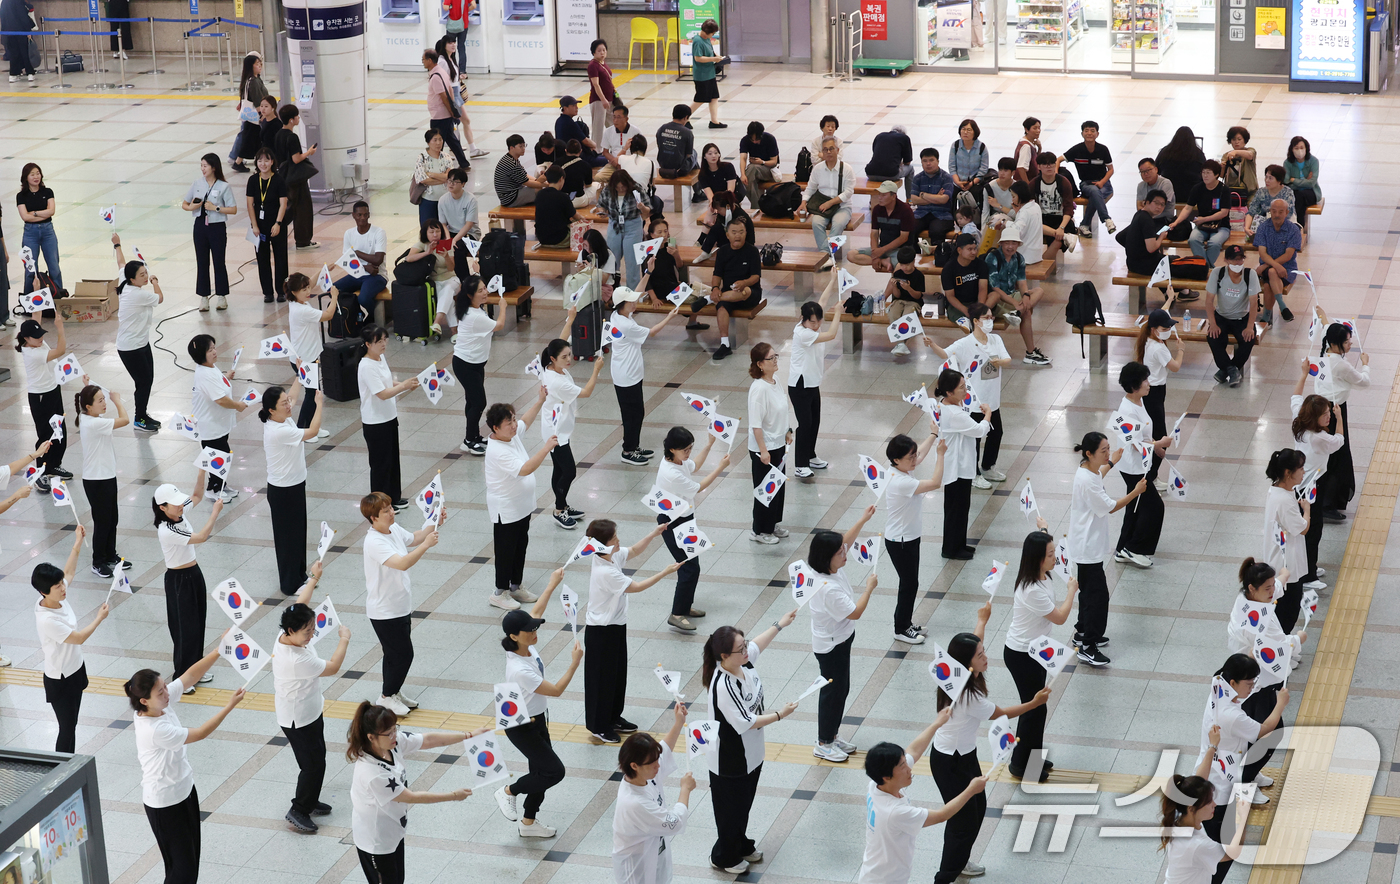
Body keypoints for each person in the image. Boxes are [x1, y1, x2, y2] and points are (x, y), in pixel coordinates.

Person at [929, 601, 1049, 884]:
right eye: (980, 655)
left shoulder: (957, 670)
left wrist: (982, 620)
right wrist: (1033, 703)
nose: (986, 657)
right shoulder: (968, 695)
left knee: (977, 807)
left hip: (964, 755)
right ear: (968, 662)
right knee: (962, 821)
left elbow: (974, 642)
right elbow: (1001, 713)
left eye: (983, 651)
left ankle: (959, 860)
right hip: (950, 761)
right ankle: (946, 876)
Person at [125, 654, 246, 884]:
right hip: (164, 804)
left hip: (185, 791)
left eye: (164, 686)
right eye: (160, 692)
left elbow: (190, 676)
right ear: (144, 701)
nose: (166, 693)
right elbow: (200, 733)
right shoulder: (153, 729)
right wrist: (230, 705)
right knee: (181, 871)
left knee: (191, 861)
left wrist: (218, 651)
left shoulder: (159, 705)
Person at [347, 702, 487, 881]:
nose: (394, 735)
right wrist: (453, 796)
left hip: (393, 829)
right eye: (389, 733)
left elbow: (427, 740)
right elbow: (410, 797)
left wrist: (468, 735)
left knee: (398, 879)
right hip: (376, 841)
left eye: (395, 729)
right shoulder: (372, 773)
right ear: (371, 737)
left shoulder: (392, 744)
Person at [702, 616, 799, 873]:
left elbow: (757, 644)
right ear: (724, 656)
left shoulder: (743, 662)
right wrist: (780, 714)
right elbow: (746, 722)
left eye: (744, 645)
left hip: (751, 753)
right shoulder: (723, 685)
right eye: (740, 648)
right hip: (730, 759)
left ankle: (740, 844)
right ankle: (724, 856)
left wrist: (780, 624)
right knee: (730, 810)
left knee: (743, 805)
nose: (746, 650)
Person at [582, 519, 681, 742]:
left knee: (617, 675)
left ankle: (613, 717)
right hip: (601, 631)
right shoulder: (604, 571)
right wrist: (664, 572)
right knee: (601, 680)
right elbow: (636, 587)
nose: (618, 540)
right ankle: (599, 726)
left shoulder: (611, 555)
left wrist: (654, 533)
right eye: (613, 538)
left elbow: (634, 550)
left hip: (616, 625)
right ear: (602, 545)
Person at [859, 712, 987, 884]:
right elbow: (942, 815)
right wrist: (971, 789)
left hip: (876, 874)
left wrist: (937, 724)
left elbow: (913, 750)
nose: (909, 768)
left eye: (905, 762)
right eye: (902, 766)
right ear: (887, 777)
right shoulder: (895, 812)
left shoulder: (876, 785)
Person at [496, 585, 583, 837]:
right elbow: (555, 690)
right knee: (554, 771)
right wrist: (575, 663)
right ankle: (508, 791)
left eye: (535, 628)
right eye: (530, 630)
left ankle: (528, 823)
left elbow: (536, 611)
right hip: (521, 726)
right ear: (514, 636)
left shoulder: (526, 646)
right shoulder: (519, 669)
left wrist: (553, 583)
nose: (535, 633)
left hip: (536, 719)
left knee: (540, 772)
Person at [274, 562, 351, 832]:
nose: (311, 635)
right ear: (291, 632)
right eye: (307, 632)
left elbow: (301, 603)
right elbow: (333, 667)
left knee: (317, 758)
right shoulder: (296, 659)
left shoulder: (285, 633)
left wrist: (314, 578)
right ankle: (299, 810)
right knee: (312, 765)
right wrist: (344, 639)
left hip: (310, 710)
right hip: (298, 718)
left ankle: (310, 798)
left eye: (312, 629)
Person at [1003, 527, 1078, 782]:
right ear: (1037, 558)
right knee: (1032, 708)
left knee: (1038, 707)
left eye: (1054, 552)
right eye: (1050, 554)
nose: (1055, 558)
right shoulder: (1031, 589)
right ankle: (1020, 764)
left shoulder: (1042, 575)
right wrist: (1071, 591)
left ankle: (1032, 758)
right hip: (1022, 655)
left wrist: (1043, 527)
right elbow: (1060, 618)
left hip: (1036, 652)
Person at [361, 490, 444, 717]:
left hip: (399, 605)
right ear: (373, 518)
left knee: (393, 654)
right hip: (384, 610)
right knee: (403, 655)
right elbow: (402, 563)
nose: (391, 512)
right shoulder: (374, 541)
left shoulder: (393, 529)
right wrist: (426, 546)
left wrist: (435, 520)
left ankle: (393, 691)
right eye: (385, 511)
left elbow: (416, 537)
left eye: (390, 508)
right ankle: (386, 696)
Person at [807, 506, 879, 761]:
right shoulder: (827, 588)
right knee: (833, 693)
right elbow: (855, 612)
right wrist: (869, 588)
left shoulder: (829, 567)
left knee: (841, 689)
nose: (845, 552)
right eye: (840, 552)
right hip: (831, 645)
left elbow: (845, 541)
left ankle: (832, 735)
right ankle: (824, 742)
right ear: (827, 557)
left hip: (841, 638)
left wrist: (862, 519)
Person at [1069, 431, 1145, 667]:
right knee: (1098, 597)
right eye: (1103, 450)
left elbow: (1098, 475)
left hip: (1087, 544)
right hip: (1087, 547)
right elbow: (1111, 506)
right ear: (1089, 453)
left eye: (1108, 448)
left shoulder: (1087, 470)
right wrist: (1135, 492)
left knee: (1088, 593)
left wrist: (1112, 462)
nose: (1107, 453)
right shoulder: (1086, 481)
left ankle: (1082, 631)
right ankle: (1088, 646)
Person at [33, 527, 108, 753]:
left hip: (76, 668)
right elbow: (79, 638)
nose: (63, 588)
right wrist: (99, 618)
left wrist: (77, 542)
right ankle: (61, 765)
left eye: (61, 584)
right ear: (44, 592)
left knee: (72, 724)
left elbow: (69, 572)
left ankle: (70, 762)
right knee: (67, 727)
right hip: (61, 679)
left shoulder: (57, 598)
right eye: (57, 586)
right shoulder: (47, 619)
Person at [926, 302, 1011, 487]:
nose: (990, 320)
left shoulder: (996, 339)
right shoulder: (965, 343)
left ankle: (988, 467)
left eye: (991, 317)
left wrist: (1000, 362)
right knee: (974, 439)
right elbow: (944, 354)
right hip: (974, 400)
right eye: (986, 317)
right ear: (976, 321)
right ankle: (974, 474)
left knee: (996, 433)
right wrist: (932, 344)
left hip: (992, 398)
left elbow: (1007, 358)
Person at [152, 475, 224, 692]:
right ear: (163, 508)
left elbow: (197, 495)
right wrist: (215, 512)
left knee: (198, 622)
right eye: (175, 504)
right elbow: (201, 537)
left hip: (193, 573)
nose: (181, 506)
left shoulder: (178, 512)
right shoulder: (167, 530)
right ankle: (182, 678)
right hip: (178, 580)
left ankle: (195, 670)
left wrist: (202, 470)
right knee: (185, 628)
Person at [655, 427, 729, 634]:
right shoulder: (671, 473)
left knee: (692, 566)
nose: (688, 453)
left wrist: (709, 444)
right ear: (672, 449)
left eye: (690, 448)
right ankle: (677, 614)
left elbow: (694, 465)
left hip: (684, 519)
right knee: (688, 567)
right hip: (672, 523)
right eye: (685, 450)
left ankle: (685, 606)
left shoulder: (676, 461)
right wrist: (721, 467)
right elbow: (699, 486)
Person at [612, 704, 696, 884]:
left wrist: (678, 723)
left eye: (657, 760)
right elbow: (675, 823)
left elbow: (664, 749)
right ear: (634, 765)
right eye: (653, 763)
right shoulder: (634, 802)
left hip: (655, 856)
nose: (658, 765)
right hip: (637, 870)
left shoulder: (645, 775)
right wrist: (685, 789)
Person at [484, 396, 554, 610]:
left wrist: (540, 400)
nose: (514, 425)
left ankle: (515, 586)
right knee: (505, 551)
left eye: (513, 420)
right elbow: (524, 469)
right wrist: (546, 448)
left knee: (520, 546)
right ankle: (499, 592)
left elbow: (526, 421)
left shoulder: (510, 435)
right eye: (509, 423)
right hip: (506, 509)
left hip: (522, 506)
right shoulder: (497, 450)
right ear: (496, 428)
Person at [1228, 559, 1306, 747]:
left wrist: (1284, 576)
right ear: (1252, 588)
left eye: (1272, 585)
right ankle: (1249, 761)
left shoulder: (1246, 597)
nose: (1272, 591)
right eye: (1267, 588)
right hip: (1256, 677)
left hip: (1253, 670)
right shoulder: (1256, 622)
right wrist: (1299, 638)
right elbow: (1280, 645)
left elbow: (1275, 587)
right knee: (1266, 730)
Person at [882, 424, 945, 645]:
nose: (915, 460)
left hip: (909, 537)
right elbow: (935, 483)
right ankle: (900, 629)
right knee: (909, 584)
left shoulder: (900, 469)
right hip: (900, 540)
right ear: (896, 459)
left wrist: (933, 435)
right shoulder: (901, 481)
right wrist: (940, 455)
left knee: (911, 583)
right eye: (910, 457)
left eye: (914, 455)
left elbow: (921, 454)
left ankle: (906, 623)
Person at [260, 385, 324, 595]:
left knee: (298, 533)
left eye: (286, 401)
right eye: (283, 403)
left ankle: (300, 575)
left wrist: (299, 376)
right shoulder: (279, 431)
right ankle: (289, 584)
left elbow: (294, 396)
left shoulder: (282, 418)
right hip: (283, 491)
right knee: (287, 539)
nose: (289, 405)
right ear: (271, 410)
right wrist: (319, 404)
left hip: (295, 485)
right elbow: (313, 431)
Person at [607, 286, 680, 464]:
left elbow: (637, 290)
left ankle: (634, 445)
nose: (635, 303)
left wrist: (648, 273)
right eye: (631, 301)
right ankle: (628, 451)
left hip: (630, 373)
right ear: (622, 304)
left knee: (637, 413)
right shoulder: (626, 325)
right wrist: (669, 317)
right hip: (626, 376)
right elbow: (652, 333)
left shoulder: (618, 315)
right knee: (632, 415)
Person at [1205, 653, 1290, 805]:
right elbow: (1264, 730)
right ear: (1233, 683)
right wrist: (1280, 705)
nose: (1252, 688)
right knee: (1268, 739)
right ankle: (1244, 784)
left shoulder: (1218, 681)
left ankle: (1250, 776)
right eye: (1249, 684)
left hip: (1226, 752)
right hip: (1225, 772)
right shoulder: (1231, 715)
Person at [539, 336, 606, 529]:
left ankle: (563, 506)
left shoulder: (550, 368)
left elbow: (560, 337)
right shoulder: (557, 382)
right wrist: (596, 370)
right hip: (556, 432)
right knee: (569, 471)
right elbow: (586, 393)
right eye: (564, 357)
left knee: (559, 469)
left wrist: (569, 321)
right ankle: (559, 510)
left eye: (569, 354)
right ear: (553, 358)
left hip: (558, 427)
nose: (569, 359)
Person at [1111, 361, 1171, 569]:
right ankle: (1135, 548)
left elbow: (1143, 435)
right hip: (1132, 467)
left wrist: (1156, 447)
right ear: (1134, 385)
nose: (1149, 383)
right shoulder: (1127, 410)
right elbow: (1136, 445)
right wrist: (1159, 443)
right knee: (1154, 507)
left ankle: (1122, 548)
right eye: (1145, 380)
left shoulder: (1139, 401)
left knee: (1134, 507)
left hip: (1139, 464)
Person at [1312, 320, 1368, 523]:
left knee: (1327, 454)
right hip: (1335, 410)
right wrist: (1366, 364)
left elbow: (1326, 327)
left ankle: (1323, 499)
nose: (1350, 344)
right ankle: (1327, 504)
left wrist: (1323, 317)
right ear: (1335, 343)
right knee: (1338, 455)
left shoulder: (1323, 352)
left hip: (1320, 405)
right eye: (1346, 342)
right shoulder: (1341, 365)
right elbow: (1364, 382)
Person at [1290, 362, 1341, 589]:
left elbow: (1295, 397)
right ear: (1315, 417)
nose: (1329, 417)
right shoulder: (1319, 437)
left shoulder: (1300, 420)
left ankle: (1309, 566)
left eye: (1330, 412)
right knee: (1312, 528)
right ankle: (1308, 576)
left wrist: (1303, 374)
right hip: (1311, 485)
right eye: (1326, 414)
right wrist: (1340, 418)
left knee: (1308, 527)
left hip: (1301, 482)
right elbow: (1339, 441)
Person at [931, 368, 990, 560]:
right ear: (949, 392)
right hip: (956, 468)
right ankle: (951, 549)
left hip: (958, 465)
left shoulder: (947, 406)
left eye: (965, 386)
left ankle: (959, 543)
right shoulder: (954, 414)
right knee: (956, 509)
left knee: (960, 508)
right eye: (962, 388)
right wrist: (988, 414)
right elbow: (979, 430)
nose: (966, 390)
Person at [357, 326, 416, 510]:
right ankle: (380, 505)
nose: (383, 344)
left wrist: (406, 385)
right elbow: (382, 393)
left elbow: (387, 383)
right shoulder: (366, 366)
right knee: (380, 464)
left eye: (384, 339)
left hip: (389, 417)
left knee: (392, 459)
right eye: (379, 341)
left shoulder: (380, 358)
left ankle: (393, 497)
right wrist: (403, 386)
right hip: (375, 422)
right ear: (368, 344)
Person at [445, 275, 505, 454]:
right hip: (466, 364)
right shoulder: (473, 316)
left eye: (485, 288)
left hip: (476, 363)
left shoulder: (474, 309)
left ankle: (474, 435)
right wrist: (502, 307)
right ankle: (469, 440)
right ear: (470, 296)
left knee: (472, 401)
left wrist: (476, 270)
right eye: (480, 290)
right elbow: (499, 325)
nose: (485, 292)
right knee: (479, 402)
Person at [108, 235, 162, 432]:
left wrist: (117, 244)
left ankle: (143, 414)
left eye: (146, 273)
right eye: (142, 275)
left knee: (147, 380)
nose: (145, 277)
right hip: (131, 347)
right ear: (132, 279)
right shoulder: (138, 294)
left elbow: (121, 263)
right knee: (143, 381)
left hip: (141, 342)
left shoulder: (126, 280)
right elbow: (160, 298)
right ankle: (139, 419)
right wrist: (155, 282)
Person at [787, 275, 839, 478]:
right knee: (805, 424)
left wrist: (832, 279)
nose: (817, 325)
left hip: (812, 382)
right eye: (813, 322)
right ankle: (800, 465)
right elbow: (832, 335)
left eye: (819, 321)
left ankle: (810, 456)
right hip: (800, 385)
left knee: (814, 421)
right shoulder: (803, 333)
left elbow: (822, 301)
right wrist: (838, 313)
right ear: (804, 319)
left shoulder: (812, 323)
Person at [74, 384, 128, 576]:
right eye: (100, 400)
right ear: (88, 407)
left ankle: (110, 555)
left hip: (107, 475)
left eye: (104, 399)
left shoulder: (89, 416)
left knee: (112, 518)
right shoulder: (93, 423)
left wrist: (86, 384)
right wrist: (117, 401)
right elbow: (125, 420)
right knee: (103, 521)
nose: (104, 403)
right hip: (96, 480)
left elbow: (85, 402)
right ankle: (98, 562)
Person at [1159, 773, 1249, 883]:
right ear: (1191, 809)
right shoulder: (1197, 844)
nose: (1214, 804)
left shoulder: (1179, 817)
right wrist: (1244, 818)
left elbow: (1196, 784)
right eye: (1209, 802)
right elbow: (1232, 852)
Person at [746, 341, 794, 544]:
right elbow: (756, 425)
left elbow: (782, 408)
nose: (775, 360)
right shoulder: (759, 389)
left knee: (777, 488)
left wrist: (787, 430)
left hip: (778, 444)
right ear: (759, 364)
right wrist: (763, 451)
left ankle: (772, 524)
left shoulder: (776, 381)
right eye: (771, 358)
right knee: (765, 490)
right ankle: (759, 531)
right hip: (763, 448)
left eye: (776, 356)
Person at [187, 333, 245, 502]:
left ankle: (220, 485)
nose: (214, 351)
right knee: (219, 456)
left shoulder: (211, 367)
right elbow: (220, 399)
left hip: (218, 423)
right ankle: (213, 490)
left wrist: (225, 377)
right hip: (210, 426)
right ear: (201, 354)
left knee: (221, 454)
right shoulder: (204, 374)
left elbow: (215, 385)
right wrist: (238, 405)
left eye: (214, 347)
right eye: (209, 350)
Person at [694, 216, 762, 360]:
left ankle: (707, 299)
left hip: (750, 292)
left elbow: (756, 277)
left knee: (744, 291)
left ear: (746, 233)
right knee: (722, 307)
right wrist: (715, 288)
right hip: (728, 293)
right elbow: (717, 274)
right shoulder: (723, 251)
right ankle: (725, 344)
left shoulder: (752, 251)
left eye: (741, 232)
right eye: (734, 232)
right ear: (727, 235)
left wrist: (744, 282)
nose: (738, 235)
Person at [16, 315, 71, 489]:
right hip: (40, 397)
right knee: (46, 435)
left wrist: (37, 296)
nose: (41, 338)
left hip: (53, 390)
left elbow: (36, 318)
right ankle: (41, 472)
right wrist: (60, 328)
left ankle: (54, 465)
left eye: (41, 335)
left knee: (60, 431)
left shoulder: (36, 343)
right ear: (26, 338)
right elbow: (60, 350)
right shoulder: (33, 353)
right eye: (36, 337)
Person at [180, 154, 237, 313]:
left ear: (214, 167)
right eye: (201, 165)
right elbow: (184, 204)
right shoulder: (197, 183)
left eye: (205, 165)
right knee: (202, 262)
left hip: (217, 226)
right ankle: (204, 297)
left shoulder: (223, 186)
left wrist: (216, 208)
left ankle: (222, 296)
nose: (202, 169)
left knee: (219, 261)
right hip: (200, 226)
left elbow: (233, 209)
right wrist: (192, 207)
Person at [983, 231, 1049, 365]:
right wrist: (1014, 302)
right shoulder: (992, 258)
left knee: (1038, 291)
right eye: (1007, 243)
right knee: (1027, 312)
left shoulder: (1019, 258)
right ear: (1001, 243)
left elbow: (1022, 282)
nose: (1010, 246)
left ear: (1018, 244)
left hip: (1013, 295)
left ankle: (1017, 313)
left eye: (1014, 243)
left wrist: (1025, 296)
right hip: (997, 299)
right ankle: (1030, 352)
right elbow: (995, 288)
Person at [1136, 309, 1183, 494]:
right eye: (1165, 328)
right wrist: (1181, 350)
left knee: (1155, 435)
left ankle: (1150, 476)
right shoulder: (1158, 348)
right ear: (1154, 329)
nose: (1168, 331)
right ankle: (1150, 478)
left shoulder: (1148, 340)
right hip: (1154, 394)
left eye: (1170, 327)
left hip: (1152, 392)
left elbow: (1162, 309)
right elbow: (1176, 367)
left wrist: (1170, 298)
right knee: (1160, 439)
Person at [1262, 448, 1309, 633]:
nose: (1304, 471)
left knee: (1283, 611)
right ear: (1288, 473)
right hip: (1286, 565)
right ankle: (1280, 646)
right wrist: (1307, 510)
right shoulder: (1284, 500)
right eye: (1301, 468)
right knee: (1287, 613)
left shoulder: (1276, 490)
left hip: (1278, 559)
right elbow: (1303, 528)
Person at [284, 272, 335, 433]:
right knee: (312, 394)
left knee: (313, 392)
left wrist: (322, 270)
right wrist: (334, 297)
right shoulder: (301, 310)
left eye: (307, 288)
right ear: (294, 292)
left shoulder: (295, 301)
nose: (308, 292)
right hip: (304, 359)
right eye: (303, 289)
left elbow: (310, 283)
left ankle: (312, 428)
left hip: (306, 355)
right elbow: (328, 315)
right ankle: (304, 429)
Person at [1204, 246, 1259, 387]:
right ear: (1226, 260)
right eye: (1235, 260)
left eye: (1241, 259)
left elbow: (1254, 303)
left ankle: (1226, 370)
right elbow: (1209, 301)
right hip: (1221, 316)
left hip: (1242, 317)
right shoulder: (1218, 273)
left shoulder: (1250, 274)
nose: (1238, 263)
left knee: (1249, 339)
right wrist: (1213, 324)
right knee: (1213, 337)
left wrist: (1249, 327)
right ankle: (1232, 370)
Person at [243, 147, 290, 303]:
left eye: (266, 160)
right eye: (260, 160)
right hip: (260, 226)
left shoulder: (278, 180)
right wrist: (254, 225)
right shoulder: (252, 180)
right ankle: (267, 292)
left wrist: (278, 223)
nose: (263, 163)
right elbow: (250, 205)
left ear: (272, 162)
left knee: (281, 258)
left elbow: (283, 204)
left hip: (277, 225)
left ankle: (281, 291)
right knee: (262, 259)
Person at [274, 103, 319, 250]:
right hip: (295, 178)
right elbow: (296, 159)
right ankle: (302, 241)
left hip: (283, 175)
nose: (298, 118)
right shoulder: (292, 137)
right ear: (291, 120)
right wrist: (309, 152)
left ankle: (274, 232)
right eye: (297, 116)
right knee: (302, 209)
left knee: (289, 207)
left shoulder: (278, 134)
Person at [798, 135, 854, 252]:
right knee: (816, 223)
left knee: (838, 224)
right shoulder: (818, 169)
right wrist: (803, 202)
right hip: (822, 206)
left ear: (837, 150)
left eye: (831, 148)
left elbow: (848, 192)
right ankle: (827, 255)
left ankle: (824, 254)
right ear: (822, 152)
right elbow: (810, 188)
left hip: (842, 206)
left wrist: (830, 203)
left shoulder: (847, 169)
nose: (828, 152)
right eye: (825, 149)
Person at [1059, 121, 1115, 236]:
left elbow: (1110, 169)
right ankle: (1107, 219)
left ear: (1097, 134)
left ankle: (1084, 225)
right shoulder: (1077, 149)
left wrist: (1102, 182)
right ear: (1082, 133)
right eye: (1086, 131)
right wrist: (1056, 175)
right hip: (1086, 184)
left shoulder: (1103, 149)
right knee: (1095, 191)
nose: (1089, 133)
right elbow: (1058, 160)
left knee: (1095, 195)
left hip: (1104, 184)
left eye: (1092, 131)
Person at [598, 169, 651, 289]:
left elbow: (647, 211)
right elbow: (601, 205)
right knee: (612, 260)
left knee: (632, 262)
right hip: (614, 225)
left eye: (623, 187)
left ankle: (633, 292)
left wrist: (642, 207)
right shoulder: (607, 190)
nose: (621, 189)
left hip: (632, 226)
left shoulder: (637, 189)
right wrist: (602, 212)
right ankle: (612, 290)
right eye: (618, 187)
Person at [1254, 199, 1303, 324]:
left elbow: (1288, 255)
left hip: (1287, 268)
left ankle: (1266, 318)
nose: (1277, 215)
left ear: (1287, 212)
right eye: (1274, 211)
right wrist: (1275, 266)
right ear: (1270, 211)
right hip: (1268, 268)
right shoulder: (1263, 227)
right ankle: (1282, 306)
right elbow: (1262, 253)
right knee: (1272, 272)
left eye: (1281, 212)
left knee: (1268, 283)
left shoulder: (1293, 230)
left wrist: (1269, 265)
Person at [335, 201, 389, 315]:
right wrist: (365, 267)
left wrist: (357, 253)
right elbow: (347, 260)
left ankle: (375, 316)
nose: (363, 218)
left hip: (377, 276)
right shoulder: (349, 233)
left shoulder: (378, 232)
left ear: (369, 215)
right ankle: (356, 315)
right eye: (359, 215)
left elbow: (378, 260)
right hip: (357, 274)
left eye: (365, 214)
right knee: (333, 290)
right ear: (353, 215)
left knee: (364, 299)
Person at [851, 180, 914, 272]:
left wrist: (882, 250)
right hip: (882, 247)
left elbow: (903, 238)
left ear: (893, 196)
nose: (880, 198)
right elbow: (874, 234)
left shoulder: (905, 210)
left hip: (900, 250)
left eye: (884, 195)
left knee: (901, 268)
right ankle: (883, 261)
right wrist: (875, 254)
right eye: (879, 194)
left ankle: (889, 263)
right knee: (851, 255)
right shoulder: (877, 209)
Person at [423, 48, 469, 169]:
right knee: (451, 140)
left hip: (439, 115)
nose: (422, 62)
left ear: (430, 60)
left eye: (423, 60)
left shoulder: (436, 77)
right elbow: (450, 91)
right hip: (444, 114)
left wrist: (451, 111)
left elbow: (443, 96)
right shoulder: (441, 71)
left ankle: (435, 165)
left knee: (436, 141)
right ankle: (464, 163)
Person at [17, 163, 59, 291]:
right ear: (26, 177)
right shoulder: (21, 196)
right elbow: (25, 217)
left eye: (38, 173)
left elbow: (51, 211)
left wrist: (34, 213)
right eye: (32, 174)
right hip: (30, 233)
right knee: (30, 269)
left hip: (48, 231)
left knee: (54, 267)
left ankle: (58, 296)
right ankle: (29, 299)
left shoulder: (47, 192)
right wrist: (43, 214)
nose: (36, 177)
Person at [1030, 153, 1078, 254]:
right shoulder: (1034, 183)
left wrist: (1061, 227)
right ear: (1039, 167)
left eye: (1051, 163)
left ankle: (1043, 265)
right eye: (1045, 164)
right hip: (1042, 219)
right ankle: (1065, 236)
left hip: (1060, 219)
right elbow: (1029, 206)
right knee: (1032, 226)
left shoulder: (1063, 182)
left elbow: (1068, 208)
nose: (1049, 166)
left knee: (1057, 240)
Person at [883, 245, 925, 358]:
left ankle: (901, 344)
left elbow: (918, 296)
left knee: (907, 317)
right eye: (902, 265)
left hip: (913, 302)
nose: (904, 268)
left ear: (913, 262)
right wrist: (894, 287)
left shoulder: (919, 276)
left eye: (907, 264)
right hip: (899, 301)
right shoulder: (898, 274)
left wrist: (908, 289)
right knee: (893, 314)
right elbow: (897, 295)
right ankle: (901, 344)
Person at [909, 147, 957, 244]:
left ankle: (937, 253)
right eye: (925, 161)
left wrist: (923, 195)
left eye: (931, 160)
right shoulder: (917, 178)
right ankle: (914, 252)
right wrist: (936, 196)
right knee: (909, 228)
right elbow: (914, 200)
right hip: (921, 213)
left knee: (936, 231)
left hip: (942, 215)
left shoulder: (946, 178)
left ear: (938, 161)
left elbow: (943, 200)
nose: (928, 163)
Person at [938, 233, 987, 322]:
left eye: (975, 248)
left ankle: (982, 314)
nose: (974, 252)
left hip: (976, 302)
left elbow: (983, 289)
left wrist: (979, 308)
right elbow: (950, 296)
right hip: (958, 304)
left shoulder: (981, 264)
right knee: (963, 319)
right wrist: (966, 310)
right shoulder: (948, 269)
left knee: (994, 296)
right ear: (959, 250)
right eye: (970, 249)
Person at [413, 128, 458, 228]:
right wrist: (444, 177)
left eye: (440, 139)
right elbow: (422, 180)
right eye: (435, 140)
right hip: (428, 201)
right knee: (428, 228)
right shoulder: (422, 158)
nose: (438, 143)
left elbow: (451, 178)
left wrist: (432, 175)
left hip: (445, 200)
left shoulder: (446, 157)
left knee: (445, 228)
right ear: (428, 142)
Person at [230, 52, 267, 171]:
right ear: (251, 66)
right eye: (257, 64)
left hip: (251, 116)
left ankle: (241, 162)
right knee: (251, 140)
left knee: (251, 140)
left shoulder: (253, 79)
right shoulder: (253, 81)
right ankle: (240, 162)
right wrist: (263, 114)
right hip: (255, 116)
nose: (260, 65)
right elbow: (257, 100)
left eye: (260, 63)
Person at [1122, 189, 1170, 277]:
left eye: (1162, 205)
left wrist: (1136, 249)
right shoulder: (1147, 220)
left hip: (1132, 264)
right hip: (1146, 266)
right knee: (1177, 264)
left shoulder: (1139, 214)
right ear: (1147, 202)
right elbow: (1151, 248)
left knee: (1171, 261)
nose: (1159, 207)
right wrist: (1161, 237)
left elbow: (1120, 237)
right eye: (1156, 203)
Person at [688, 20, 727, 129]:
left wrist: (717, 56)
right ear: (706, 32)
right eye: (712, 33)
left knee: (714, 97)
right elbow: (698, 58)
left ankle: (714, 121)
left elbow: (710, 51)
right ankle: (683, 118)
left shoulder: (707, 39)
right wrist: (713, 59)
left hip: (710, 73)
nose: (712, 35)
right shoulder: (698, 41)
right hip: (702, 75)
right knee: (700, 99)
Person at [1136, 157, 1186, 240]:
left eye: (1148, 170)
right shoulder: (1141, 185)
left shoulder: (1165, 183)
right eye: (1142, 172)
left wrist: (1146, 206)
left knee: (1143, 237)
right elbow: (1139, 207)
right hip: (1146, 220)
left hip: (1164, 221)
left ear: (1156, 169)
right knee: (1123, 236)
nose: (1146, 174)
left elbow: (1160, 208)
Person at [1155, 125, 1206, 203]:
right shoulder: (1198, 154)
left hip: (1168, 192)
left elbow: (1156, 170)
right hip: (1192, 193)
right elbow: (1204, 171)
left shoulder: (1165, 152)